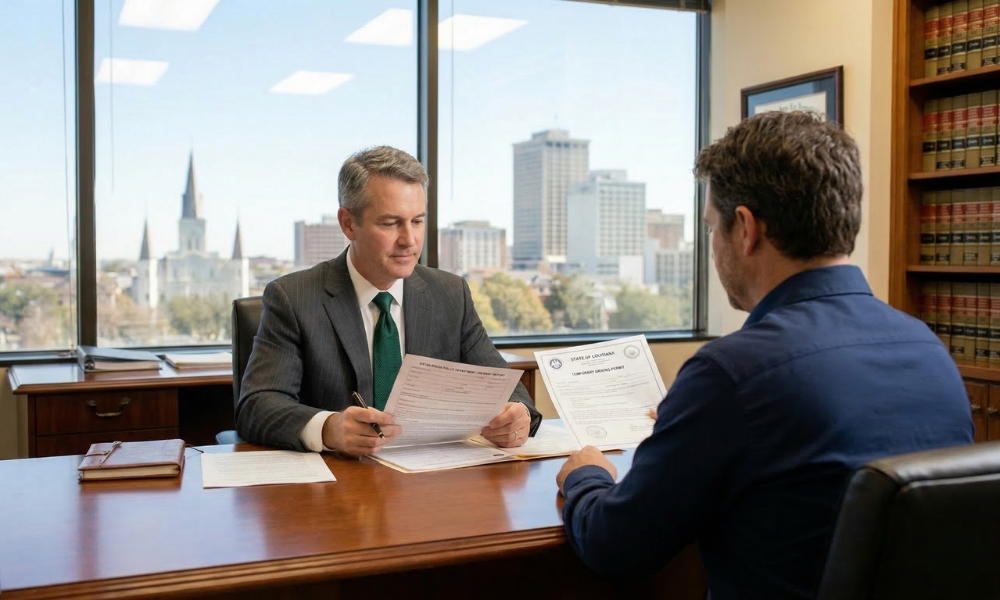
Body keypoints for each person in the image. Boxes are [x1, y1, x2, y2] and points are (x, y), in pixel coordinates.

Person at [555, 111, 973, 599]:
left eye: (712, 228)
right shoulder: (929, 350)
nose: (713, 247)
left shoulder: (733, 374)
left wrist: (586, 474)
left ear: (746, 228)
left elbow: (614, 547)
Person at [236, 146, 541, 455]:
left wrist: (517, 414)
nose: (409, 240)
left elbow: (504, 385)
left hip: (432, 482)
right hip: (341, 486)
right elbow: (257, 406)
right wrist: (329, 428)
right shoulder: (294, 298)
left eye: (418, 221)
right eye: (391, 223)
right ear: (348, 223)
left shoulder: (450, 293)